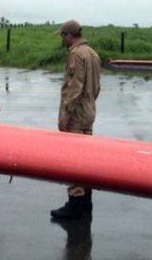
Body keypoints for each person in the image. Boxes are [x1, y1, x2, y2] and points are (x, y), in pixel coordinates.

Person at [50, 20, 101, 220]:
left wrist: (66, 115)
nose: (62, 39)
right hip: (88, 112)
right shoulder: (93, 54)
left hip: (77, 115)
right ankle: (86, 202)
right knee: (86, 158)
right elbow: (95, 88)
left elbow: (74, 88)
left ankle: (75, 204)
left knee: (73, 159)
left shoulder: (76, 55)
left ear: (70, 35)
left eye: (63, 35)